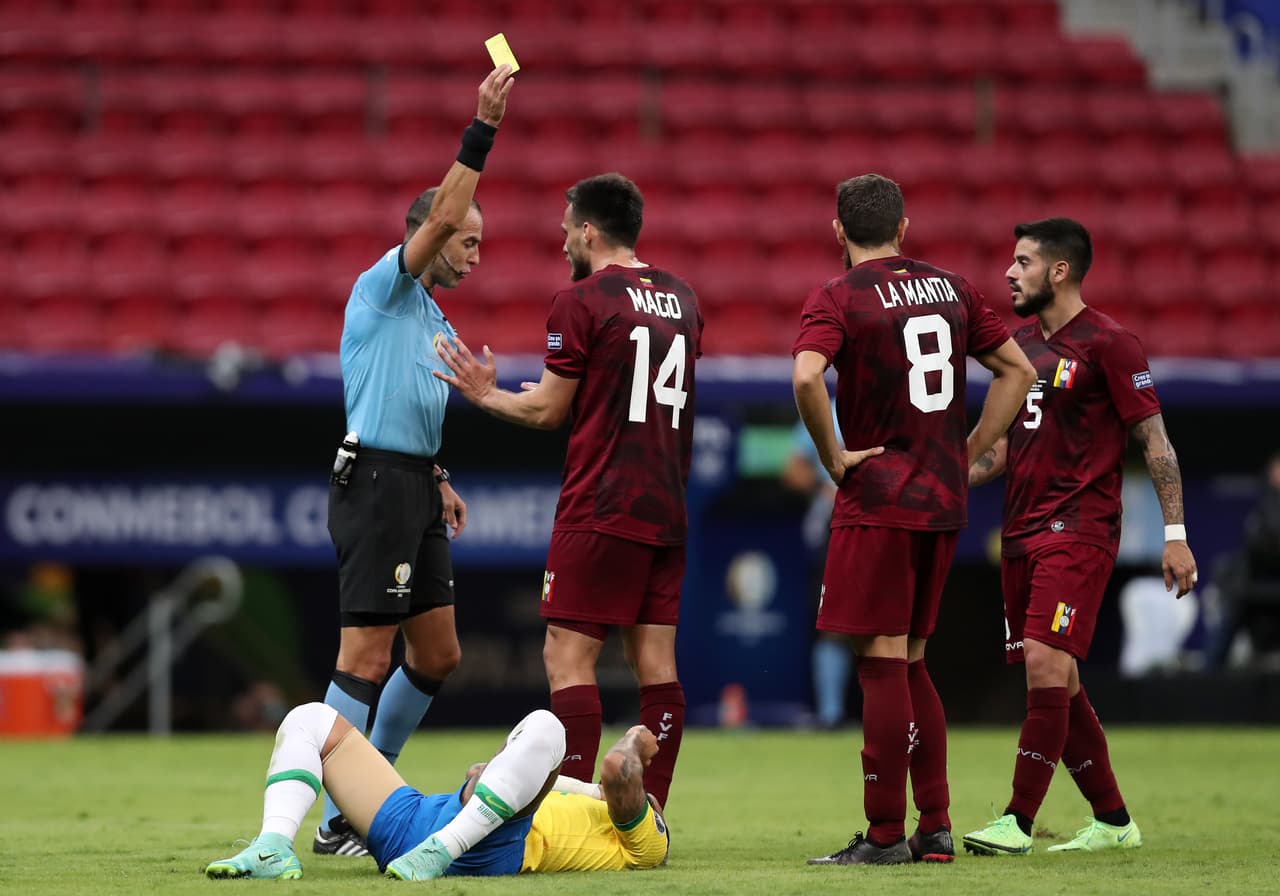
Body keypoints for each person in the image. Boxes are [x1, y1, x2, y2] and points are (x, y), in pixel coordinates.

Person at [435, 173, 702, 811]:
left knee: (566, 656)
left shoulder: (580, 299)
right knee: (655, 663)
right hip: (666, 503)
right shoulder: (684, 298)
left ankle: (578, 807)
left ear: (588, 230)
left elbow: (548, 413)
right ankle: (652, 814)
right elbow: (626, 393)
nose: (561, 245)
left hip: (602, 503)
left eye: (564, 232)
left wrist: (483, 393)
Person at [792, 174, 1036, 866]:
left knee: (878, 661)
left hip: (878, 498)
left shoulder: (837, 296)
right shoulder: (952, 287)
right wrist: (968, 453)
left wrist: (833, 456)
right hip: (941, 500)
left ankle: (883, 835)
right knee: (913, 659)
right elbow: (1015, 371)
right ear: (904, 228)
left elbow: (808, 377)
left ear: (839, 233)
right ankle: (933, 828)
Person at [315, 64, 515, 856]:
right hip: (374, 486)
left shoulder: (430, 313)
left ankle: (363, 802)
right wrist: (483, 130)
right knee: (365, 653)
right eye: (467, 240)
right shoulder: (383, 288)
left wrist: (438, 476)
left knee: (438, 654)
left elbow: (407, 406)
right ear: (428, 234)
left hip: (415, 485)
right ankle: (335, 815)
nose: (474, 256)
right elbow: (436, 224)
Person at [962, 218, 1198, 856]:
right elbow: (1002, 450)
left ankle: (1015, 821)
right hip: (1022, 530)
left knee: (1045, 660)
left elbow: (1156, 443)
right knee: (1057, 682)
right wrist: (948, 475)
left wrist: (1175, 534)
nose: (1009, 273)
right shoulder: (1015, 347)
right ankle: (1115, 822)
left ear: (1058, 271)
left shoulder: (1112, 344)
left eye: (1023, 261)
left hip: (1081, 528)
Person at [204, 704, 669, 880]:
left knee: (549, 726)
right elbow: (486, 773)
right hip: (424, 818)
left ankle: (439, 853)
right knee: (310, 719)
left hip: (486, 848)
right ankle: (272, 846)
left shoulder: (645, 845)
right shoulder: (585, 796)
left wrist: (635, 739)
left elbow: (618, 769)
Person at [779, 400, 852, 729]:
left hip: (887, 520)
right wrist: (825, 486)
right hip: (836, 525)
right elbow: (793, 470)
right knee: (833, 621)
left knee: (889, 624)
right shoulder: (828, 408)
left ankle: (892, 716)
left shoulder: (897, 395)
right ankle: (831, 715)